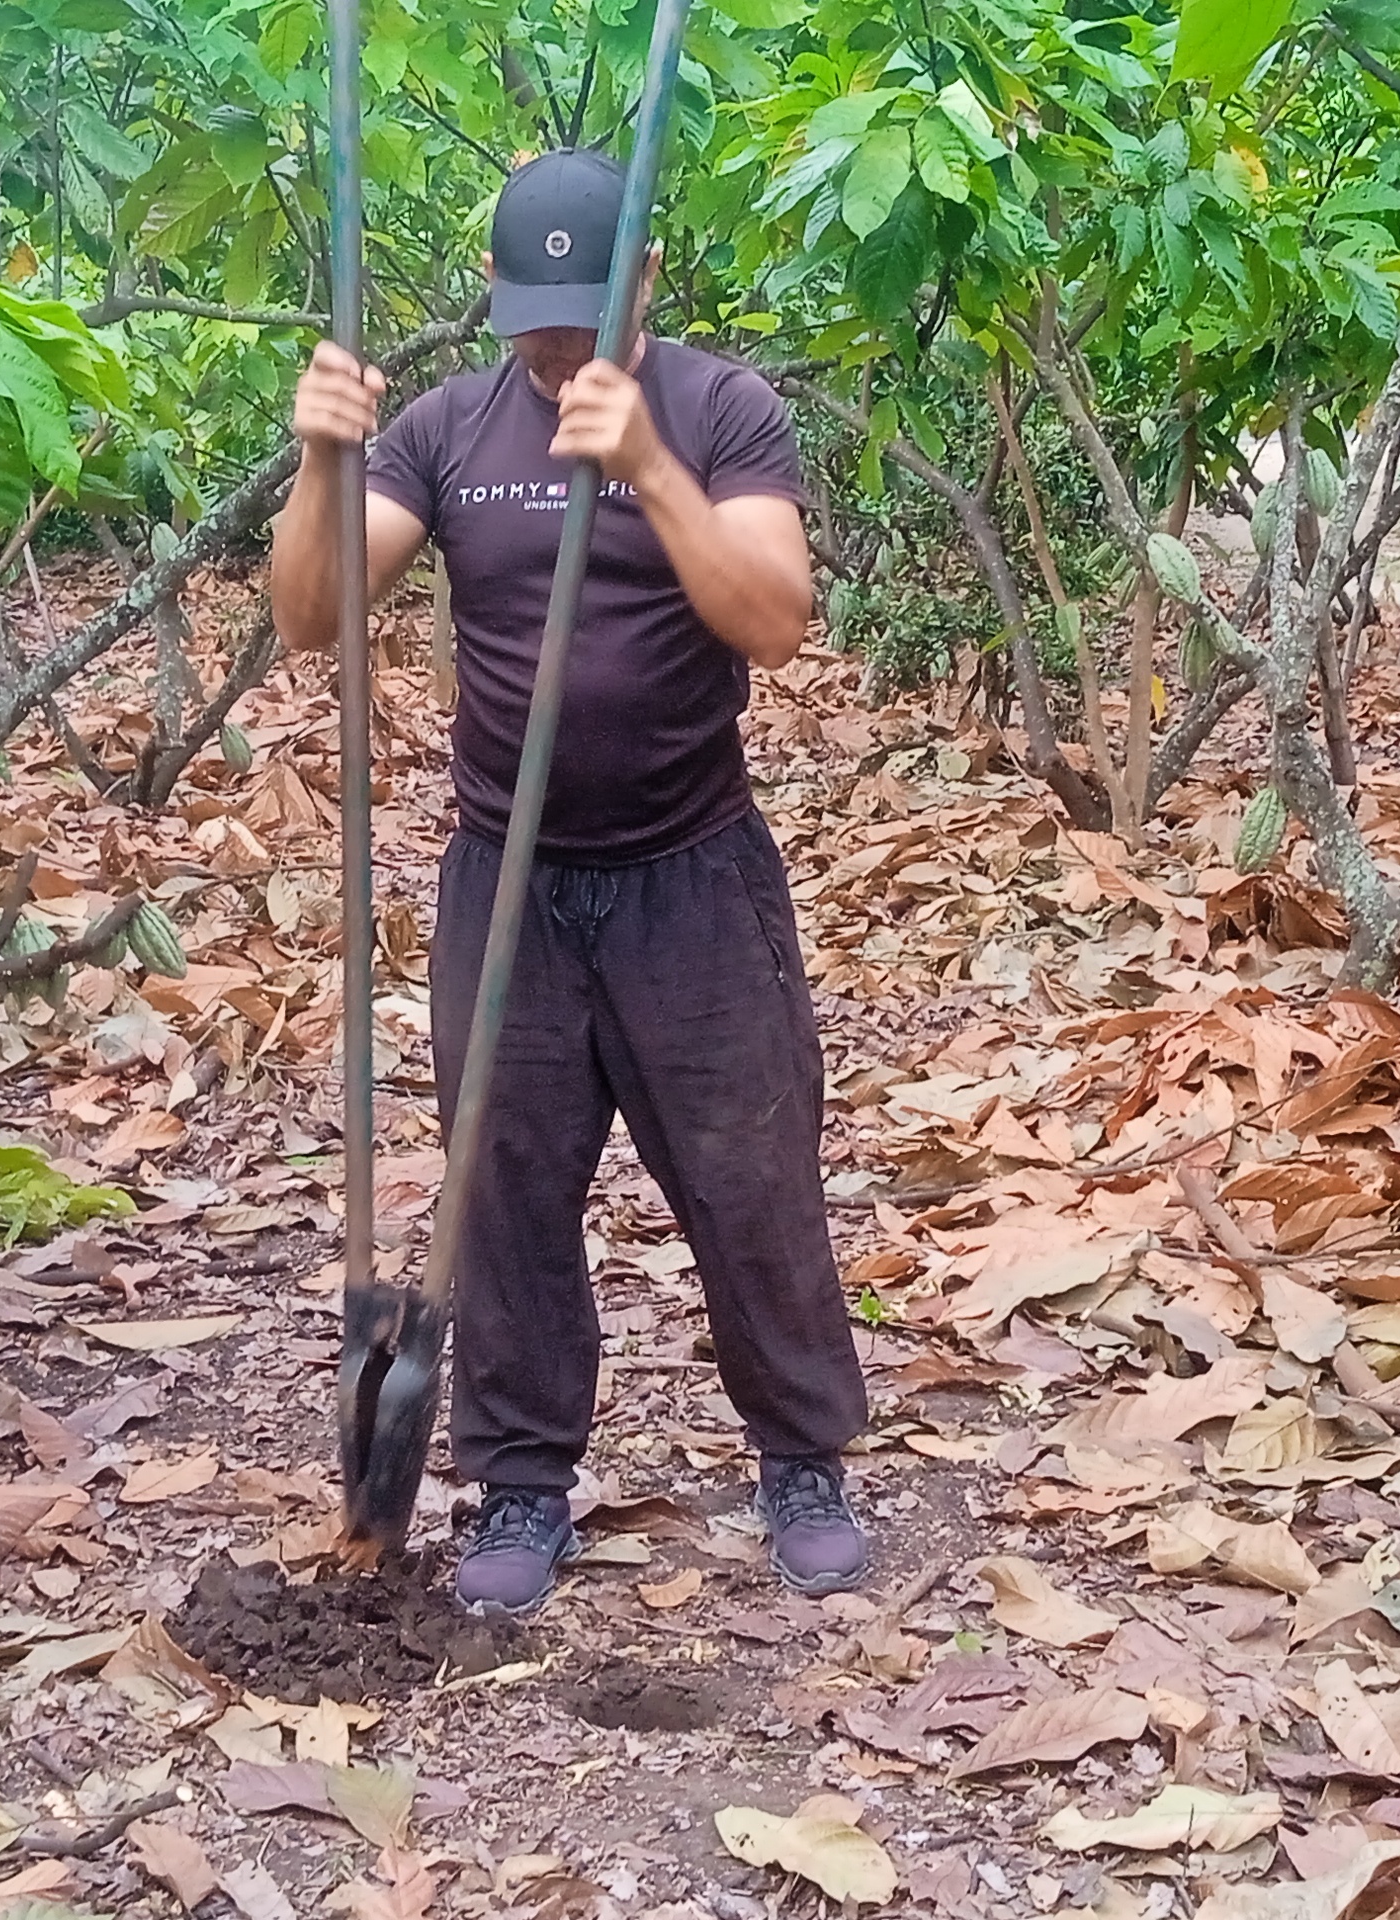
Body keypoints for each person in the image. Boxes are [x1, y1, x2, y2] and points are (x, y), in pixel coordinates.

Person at [270, 146, 870, 1617]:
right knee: (506, 1189)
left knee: (751, 1175)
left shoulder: (721, 411)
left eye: (578, 317)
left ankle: (801, 1458)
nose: (551, 349)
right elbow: (311, 616)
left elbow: (776, 619)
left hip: (692, 874)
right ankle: (522, 1481)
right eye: (528, 322)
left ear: (643, 279)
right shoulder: (447, 428)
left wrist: (649, 467)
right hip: (511, 881)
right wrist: (321, 463)